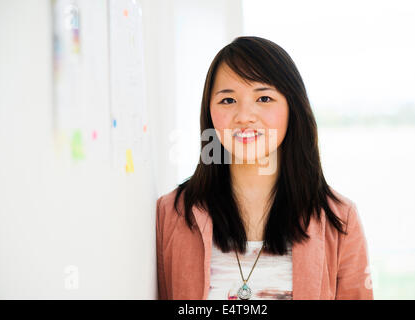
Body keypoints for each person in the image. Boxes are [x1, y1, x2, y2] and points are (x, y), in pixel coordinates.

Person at [156, 36, 373, 300]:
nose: (245, 116)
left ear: (292, 108)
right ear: (209, 112)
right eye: (228, 100)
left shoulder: (340, 219)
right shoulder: (171, 214)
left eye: (264, 98)